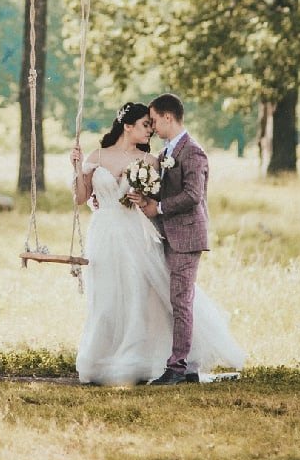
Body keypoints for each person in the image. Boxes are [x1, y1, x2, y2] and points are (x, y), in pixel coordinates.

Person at [71, 98, 244, 386]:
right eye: (145, 125)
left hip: (136, 234)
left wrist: (148, 201)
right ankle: (101, 358)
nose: (150, 130)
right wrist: (76, 167)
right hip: (103, 234)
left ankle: (140, 358)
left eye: (152, 124)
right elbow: (80, 198)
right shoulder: (97, 156)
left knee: (141, 296)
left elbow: (165, 198)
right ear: (128, 126)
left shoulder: (152, 161)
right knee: (106, 297)